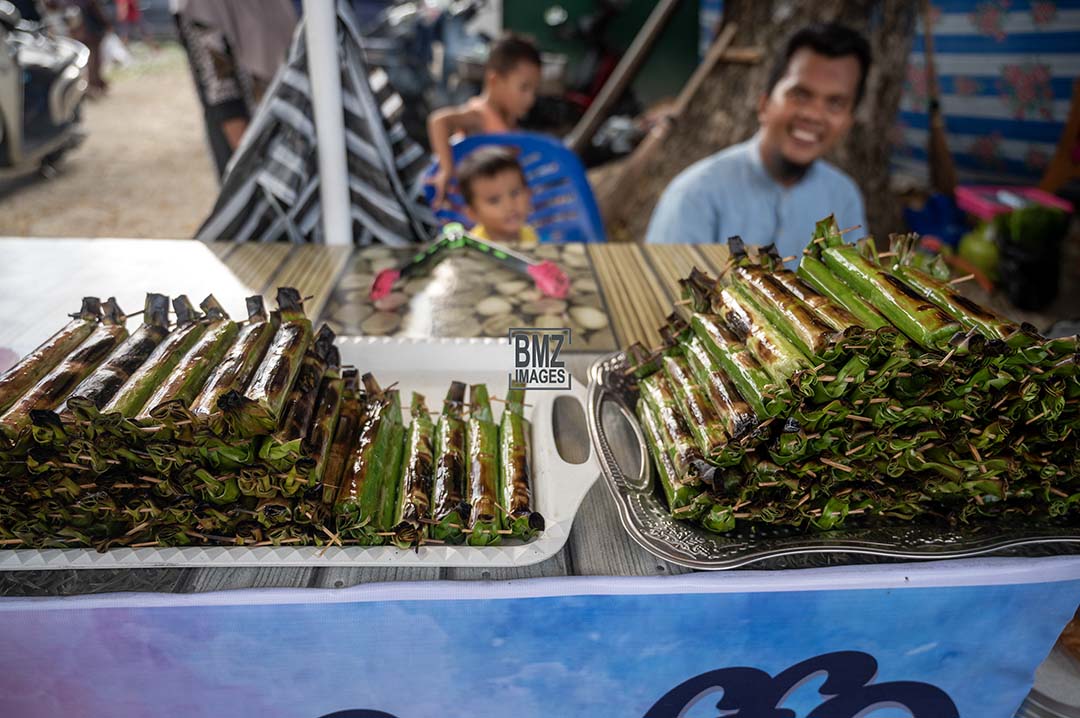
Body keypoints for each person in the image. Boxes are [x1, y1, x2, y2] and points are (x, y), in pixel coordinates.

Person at [645, 23, 870, 263]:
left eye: (835, 103)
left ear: (848, 122)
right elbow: (666, 294)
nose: (814, 115)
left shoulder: (843, 198)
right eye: (800, 95)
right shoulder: (696, 196)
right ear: (764, 105)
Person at [172, 0, 297, 178]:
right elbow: (221, 93)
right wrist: (256, 169)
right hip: (251, 143)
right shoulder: (200, 5)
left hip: (295, 127)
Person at [426, 32, 541, 208]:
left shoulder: (509, 119)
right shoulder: (479, 117)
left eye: (534, 91)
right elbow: (438, 121)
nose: (531, 99)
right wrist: (446, 169)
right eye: (524, 88)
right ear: (494, 80)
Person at [457, 146, 539, 246]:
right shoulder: (474, 248)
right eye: (494, 200)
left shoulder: (529, 234)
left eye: (515, 193)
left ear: (528, 193)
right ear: (473, 213)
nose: (510, 206)